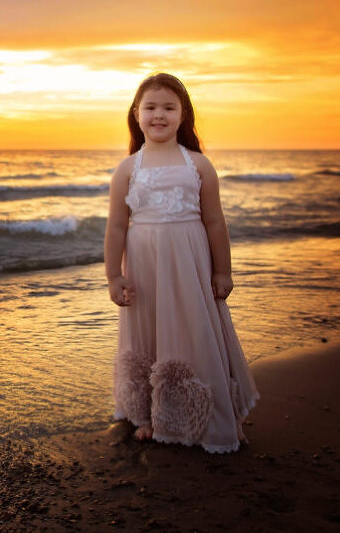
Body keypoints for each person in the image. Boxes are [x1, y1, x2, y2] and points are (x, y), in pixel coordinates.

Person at [104, 72, 258, 453]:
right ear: (136, 114)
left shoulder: (199, 165)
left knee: (193, 329)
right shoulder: (128, 169)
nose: (159, 115)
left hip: (188, 260)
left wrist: (223, 270)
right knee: (148, 331)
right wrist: (113, 276)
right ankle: (151, 416)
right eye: (151, 107)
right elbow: (116, 227)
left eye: (169, 108)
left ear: (183, 115)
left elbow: (215, 222)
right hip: (144, 264)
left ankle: (208, 416)